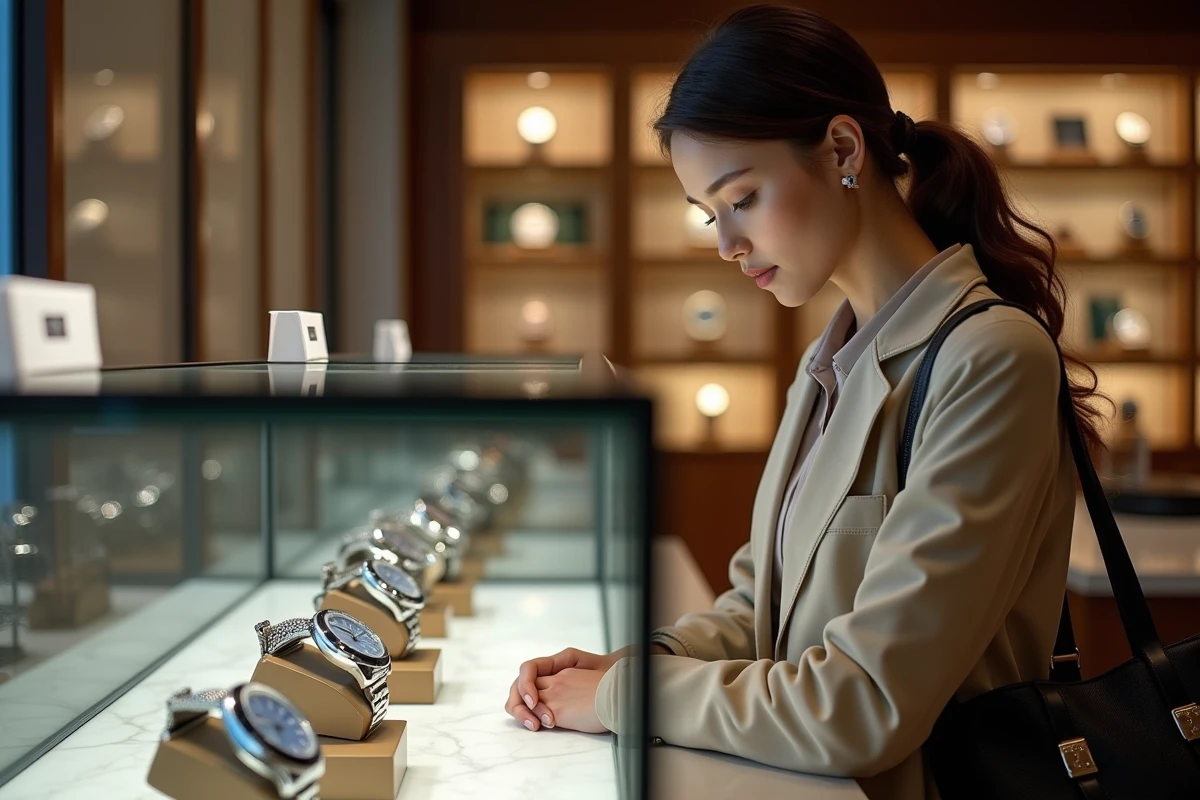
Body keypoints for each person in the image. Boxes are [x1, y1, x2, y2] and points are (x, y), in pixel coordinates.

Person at [504, 5, 1106, 798]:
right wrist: (637, 661)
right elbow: (764, 609)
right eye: (708, 214)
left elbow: (864, 703)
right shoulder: (831, 359)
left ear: (843, 149)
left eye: (742, 198)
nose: (726, 245)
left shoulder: (990, 359)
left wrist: (626, 695)